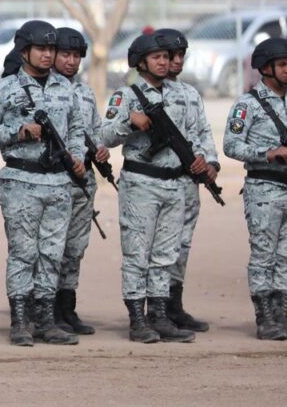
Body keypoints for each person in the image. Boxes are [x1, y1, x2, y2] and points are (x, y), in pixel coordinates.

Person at [0, 20, 85, 347]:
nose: (48, 55)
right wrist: (17, 132)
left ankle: (46, 319)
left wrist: (76, 156)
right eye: (42, 49)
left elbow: (76, 129)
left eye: (52, 49)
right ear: (24, 51)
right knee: (24, 252)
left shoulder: (65, 88)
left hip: (58, 182)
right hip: (22, 179)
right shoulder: (6, 87)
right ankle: (20, 320)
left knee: (52, 252)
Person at [97, 32, 207, 344]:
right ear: (141, 61)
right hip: (141, 183)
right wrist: (130, 123)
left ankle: (160, 315)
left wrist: (203, 161)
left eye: (166, 57)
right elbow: (103, 136)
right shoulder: (126, 96)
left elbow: (193, 134)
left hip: (174, 183)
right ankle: (137, 319)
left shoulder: (179, 94)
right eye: (157, 57)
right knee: (137, 253)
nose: (164, 62)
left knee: (165, 254)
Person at [223, 37, 287, 341]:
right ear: (265, 68)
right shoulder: (247, 105)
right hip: (265, 189)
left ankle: (281, 316)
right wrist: (269, 152)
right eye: (282, 65)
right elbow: (231, 145)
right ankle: (264, 318)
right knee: (264, 255)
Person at [157, 28, 217, 333]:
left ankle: (174, 305)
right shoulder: (146, 92)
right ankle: (153, 309)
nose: (176, 61)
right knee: (158, 248)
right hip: (158, 181)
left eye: (181, 56)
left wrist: (211, 162)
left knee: (181, 245)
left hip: (188, 182)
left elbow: (203, 132)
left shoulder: (190, 93)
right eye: (170, 56)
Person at [50, 27, 102, 336]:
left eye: (76, 56)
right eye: (65, 55)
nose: (71, 61)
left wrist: (101, 148)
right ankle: (44, 308)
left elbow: (95, 130)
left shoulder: (84, 92)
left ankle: (67, 307)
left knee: (75, 248)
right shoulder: (43, 90)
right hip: (54, 178)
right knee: (50, 248)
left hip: (83, 180)